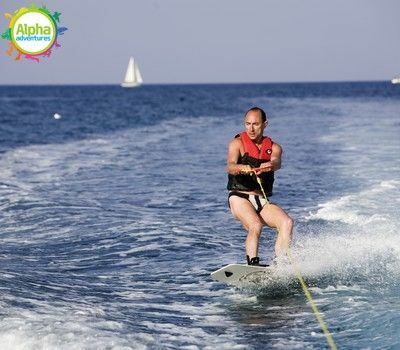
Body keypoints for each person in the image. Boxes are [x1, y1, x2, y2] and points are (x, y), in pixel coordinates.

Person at [226, 107, 293, 266]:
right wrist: (243, 168)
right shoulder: (237, 143)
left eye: (255, 124)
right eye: (247, 124)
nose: (251, 128)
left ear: (265, 124)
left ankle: (280, 263)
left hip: (260, 199)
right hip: (239, 197)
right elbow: (230, 166)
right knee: (255, 225)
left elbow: (276, 162)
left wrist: (269, 165)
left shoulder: (274, 147)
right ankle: (253, 264)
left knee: (287, 222)